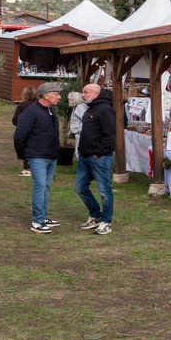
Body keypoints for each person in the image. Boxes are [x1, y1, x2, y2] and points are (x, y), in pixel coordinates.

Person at [14, 81, 63, 233]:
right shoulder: (31, 112)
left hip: (51, 156)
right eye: (56, 94)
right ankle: (37, 221)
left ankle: (42, 216)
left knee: (46, 187)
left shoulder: (51, 111)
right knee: (40, 187)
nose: (59, 97)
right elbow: (19, 136)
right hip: (37, 156)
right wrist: (24, 156)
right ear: (46, 96)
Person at [74, 82, 116, 235]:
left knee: (104, 190)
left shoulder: (105, 109)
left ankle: (106, 221)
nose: (83, 95)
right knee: (79, 187)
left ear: (96, 93)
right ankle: (95, 215)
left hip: (99, 157)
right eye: (83, 92)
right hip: (85, 156)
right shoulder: (90, 109)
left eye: (86, 92)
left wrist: (99, 152)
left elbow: (110, 135)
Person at [12, 86, 38, 175]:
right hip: (38, 131)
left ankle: (27, 168)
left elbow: (15, 120)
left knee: (25, 148)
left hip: (26, 131)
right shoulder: (39, 104)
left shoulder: (21, 105)